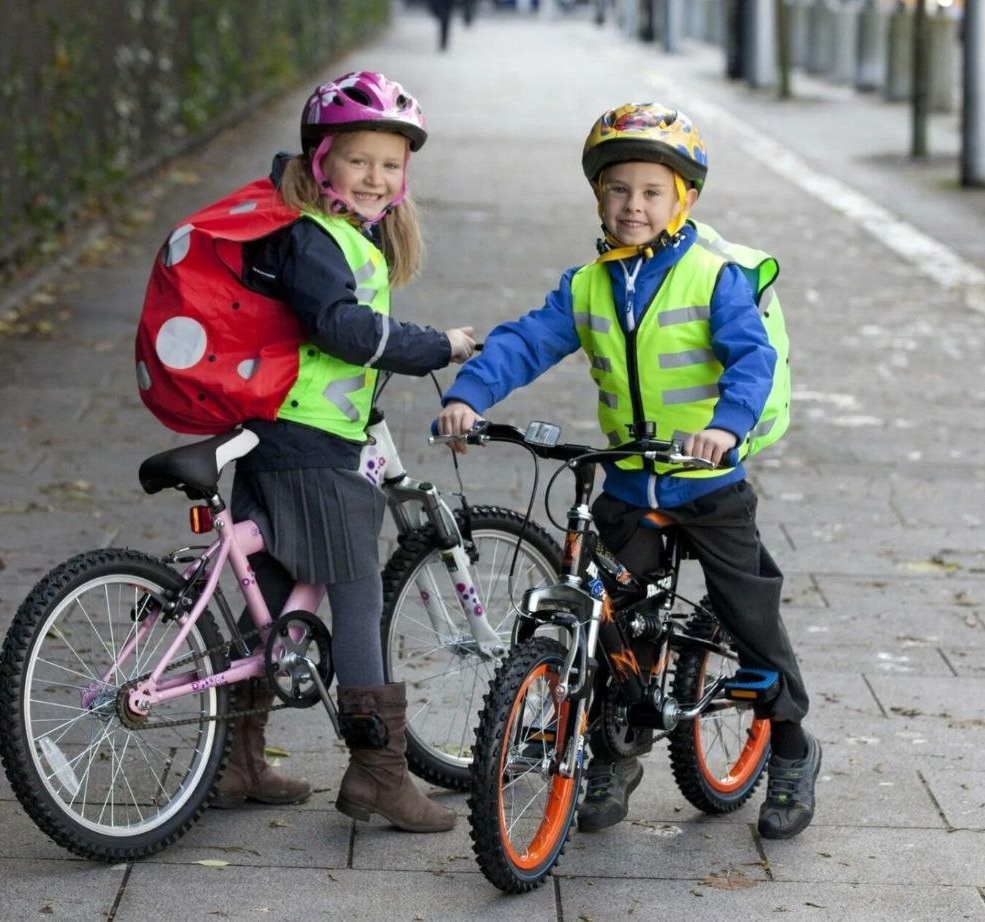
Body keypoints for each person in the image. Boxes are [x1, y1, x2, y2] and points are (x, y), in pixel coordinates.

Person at [435, 103, 819, 840]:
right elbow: (527, 341)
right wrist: (468, 395)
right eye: (618, 190)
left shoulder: (714, 278)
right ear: (597, 198)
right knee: (612, 614)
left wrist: (723, 429)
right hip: (627, 482)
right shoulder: (588, 284)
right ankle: (614, 754)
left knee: (751, 616)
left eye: (651, 191)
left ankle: (795, 750)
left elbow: (752, 361)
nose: (632, 206)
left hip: (707, 481)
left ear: (685, 201)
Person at [209, 70, 474, 833]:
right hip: (312, 443)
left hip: (275, 432)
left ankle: (239, 760)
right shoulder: (315, 236)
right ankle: (378, 774)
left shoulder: (330, 234)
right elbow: (341, 328)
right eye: (359, 160)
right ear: (320, 161)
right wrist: (436, 346)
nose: (375, 178)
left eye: (390, 166)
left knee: (267, 585)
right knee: (357, 592)